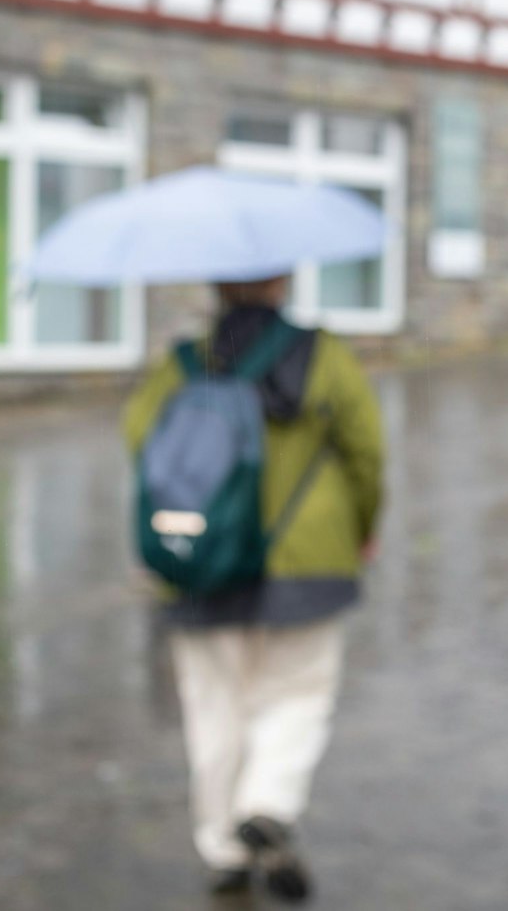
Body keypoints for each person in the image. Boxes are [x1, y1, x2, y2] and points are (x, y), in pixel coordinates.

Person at [122, 275, 385, 902]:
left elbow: (141, 440)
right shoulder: (324, 356)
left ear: (218, 285)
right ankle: (267, 804)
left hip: (203, 560)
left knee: (214, 709)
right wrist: (362, 528)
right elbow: (366, 453)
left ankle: (224, 849)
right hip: (308, 560)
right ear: (282, 281)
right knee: (297, 693)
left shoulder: (182, 364)